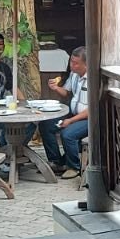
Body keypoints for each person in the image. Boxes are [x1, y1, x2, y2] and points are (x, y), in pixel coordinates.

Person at [40, 47, 88, 178]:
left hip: (88, 119)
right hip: (72, 114)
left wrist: (70, 121)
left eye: (76, 63)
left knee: (68, 134)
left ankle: (73, 167)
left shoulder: (93, 79)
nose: (71, 65)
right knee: (46, 125)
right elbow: (66, 92)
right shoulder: (74, 75)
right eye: (71, 61)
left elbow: (91, 110)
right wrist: (56, 88)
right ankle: (56, 161)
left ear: (86, 64)